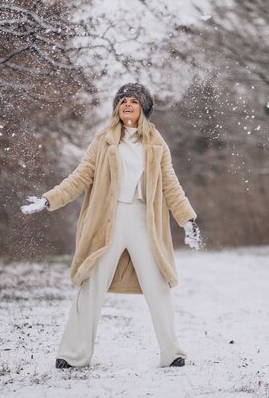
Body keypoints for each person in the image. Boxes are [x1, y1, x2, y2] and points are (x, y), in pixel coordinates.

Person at [21, 83, 201, 369]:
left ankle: (172, 353)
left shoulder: (156, 143)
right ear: (117, 108)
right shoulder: (103, 141)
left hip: (145, 222)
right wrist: (49, 199)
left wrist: (187, 219)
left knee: (158, 284)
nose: (127, 105)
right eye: (122, 101)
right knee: (91, 282)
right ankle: (73, 355)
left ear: (144, 108)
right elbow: (79, 178)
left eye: (134, 101)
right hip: (109, 220)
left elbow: (170, 185)